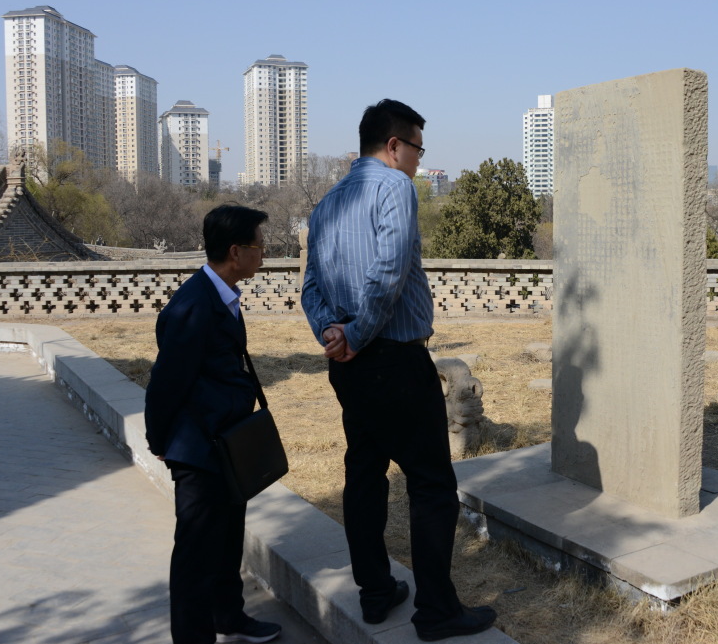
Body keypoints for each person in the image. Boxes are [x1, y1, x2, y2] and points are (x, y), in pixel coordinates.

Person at [302, 100, 497, 641]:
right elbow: (387, 273)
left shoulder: (327, 203)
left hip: (350, 366)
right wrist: (357, 334)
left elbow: (311, 287)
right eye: (417, 149)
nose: (418, 160)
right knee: (431, 483)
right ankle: (436, 611)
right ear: (393, 146)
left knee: (364, 473)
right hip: (392, 357)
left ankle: (376, 591)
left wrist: (332, 334)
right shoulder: (394, 188)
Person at [145, 204, 281, 644]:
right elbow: (167, 381)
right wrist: (159, 439)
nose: (265, 254)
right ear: (236, 251)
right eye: (260, 247)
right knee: (195, 553)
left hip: (226, 443)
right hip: (198, 449)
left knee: (226, 540)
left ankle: (229, 616)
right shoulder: (193, 306)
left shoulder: (221, 295)